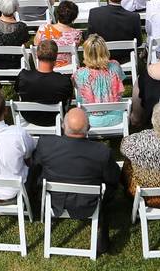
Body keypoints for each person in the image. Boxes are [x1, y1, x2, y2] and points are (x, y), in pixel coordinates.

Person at [32, 108, 121, 252]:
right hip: (89, 202)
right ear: (89, 129)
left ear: (63, 125)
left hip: (55, 199)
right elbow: (113, 178)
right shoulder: (102, 152)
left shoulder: (45, 144)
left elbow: (36, 168)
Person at [73, 34, 126, 127]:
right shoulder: (115, 67)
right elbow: (120, 88)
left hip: (89, 120)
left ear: (86, 53)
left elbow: (78, 91)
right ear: (105, 50)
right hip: (116, 118)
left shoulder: (79, 74)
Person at [15, 39, 72, 125]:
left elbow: (16, 91)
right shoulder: (64, 81)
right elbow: (68, 100)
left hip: (29, 117)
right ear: (56, 57)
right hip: (54, 119)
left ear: (37, 55)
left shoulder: (23, 77)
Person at [34, 0, 83, 68]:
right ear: (74, 18)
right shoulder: (77, 34)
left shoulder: (43, 28)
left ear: (57, 13)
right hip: (67, 66)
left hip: (44, 65)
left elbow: (36, 44)